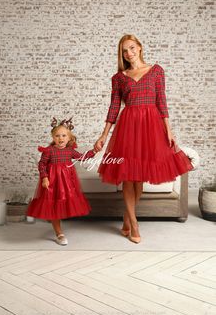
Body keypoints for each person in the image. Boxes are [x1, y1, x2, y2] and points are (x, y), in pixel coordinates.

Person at [94, 34, 193, 244]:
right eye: (124, 51)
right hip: (128, 128)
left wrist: (169, 130)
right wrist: (103, 135)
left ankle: (126, 217)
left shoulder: (156, 71)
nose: (128, 53)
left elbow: (162, 101)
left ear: (139, 47)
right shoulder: (119, 78)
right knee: (129, 178)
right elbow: (114, 108)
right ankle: (134, 223)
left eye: (131, 48)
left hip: (151, 128)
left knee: (139, 180)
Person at [27, 117, 96, 246]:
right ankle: (59, 233)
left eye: (64, 135)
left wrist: (94, 151)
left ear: (69, 138)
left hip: (66, 183)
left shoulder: (69, 151)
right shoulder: (49, 151)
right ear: (53, 137)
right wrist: (45, 177)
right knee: (53, 205)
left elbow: (82, 157)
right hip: (52, 182)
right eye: (57, 136)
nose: (60, 138)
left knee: (63, 203)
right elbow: (41, 164)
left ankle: (59, 228)